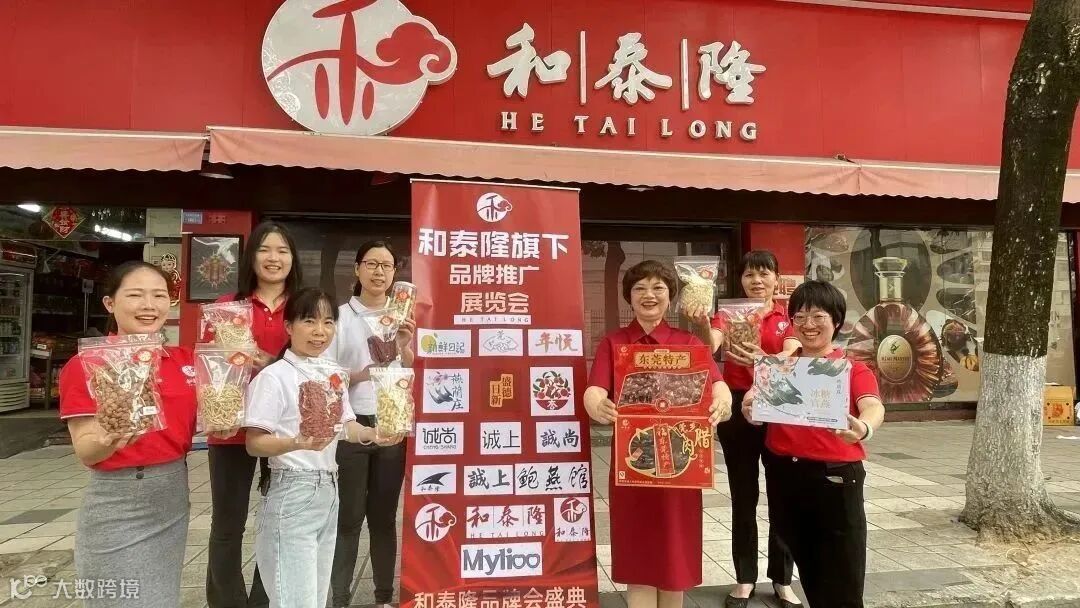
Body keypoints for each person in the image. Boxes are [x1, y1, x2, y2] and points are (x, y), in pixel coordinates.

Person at [583, 260, 732, 608]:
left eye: (657, 288)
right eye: (639, 288)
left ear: (670, 296)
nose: (648, 295)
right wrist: (597, 404)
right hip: (632, 466)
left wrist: (723, 402)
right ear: (629, 297)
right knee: (638, 555)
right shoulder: (614, 343)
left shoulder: (688, 342)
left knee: (673, 558)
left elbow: (718, 384)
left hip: (681, 467)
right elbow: (594, 389)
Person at [244, 287, 404, 608]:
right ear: (289, 326)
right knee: (295, 600)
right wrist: (295, 442)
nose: (320, 331)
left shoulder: (332, 375)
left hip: (329, 490)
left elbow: (347, 426)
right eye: (309, 321)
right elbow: (254, 443)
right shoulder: (274, 377)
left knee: (315, 598)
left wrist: (375, 434)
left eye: (328, 322)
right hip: (292, 491)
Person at [59, 262, 206, 607]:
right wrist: (107, 439)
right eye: (136, 295)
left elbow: (217, 406)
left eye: (159, 296)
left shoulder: (183, 360)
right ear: (110, 303)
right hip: (119, 500)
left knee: (161, 597)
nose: (149, 306)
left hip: (172, 493)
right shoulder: (88, 365)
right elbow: (86, 451)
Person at [740, 281, 885, 608]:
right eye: (800, 317)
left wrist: (863, 428)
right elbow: (753, 403)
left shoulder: (851, 368)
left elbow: (873, 406)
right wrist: (750, 409)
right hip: (785, 477)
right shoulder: (778, 367)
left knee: (842, 578)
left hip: (834, 479)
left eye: (818, 316)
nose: (808, 324)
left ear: (836, 321)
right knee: (810, 570)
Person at [689, 250, 801, 608]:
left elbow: (793, 354)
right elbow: (709, 346)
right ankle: (745, 578)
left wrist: (762, 360)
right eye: (750, 274)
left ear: (776, 278)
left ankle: (782, 579)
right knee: (743, 494)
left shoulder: (789, 317)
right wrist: (700, 322)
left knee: (783, 494)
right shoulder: (728, 314)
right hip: (737, 407)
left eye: (764, 273)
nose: (757, 280)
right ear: (741, 280)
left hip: (778, 404)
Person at [206, 221, 302, 608]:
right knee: (228, 524)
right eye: (264, 249)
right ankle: (226, 601)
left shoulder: (303, 306)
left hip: (284, 430)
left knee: (279, 521)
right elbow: (209, 368)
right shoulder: (228, 306)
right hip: (231, 428)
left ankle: (265, 599)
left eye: (282, 250)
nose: (273, 258)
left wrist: (269, 361)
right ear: (251, 257)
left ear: (293, 259)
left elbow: (316, 363)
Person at [325, 240, 415, 608]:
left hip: (392, 422)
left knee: (383, 517)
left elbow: (409, 367)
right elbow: (327, 375)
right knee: (348, 518)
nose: (379, 272)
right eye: (372, 264)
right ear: (357, 269)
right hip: (351, 423)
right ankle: (340, 597)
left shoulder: (400, 315)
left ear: (394, 273)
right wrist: (365, 373)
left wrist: (404, 344)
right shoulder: (340, 317)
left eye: (387, 266)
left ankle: (383, 598)